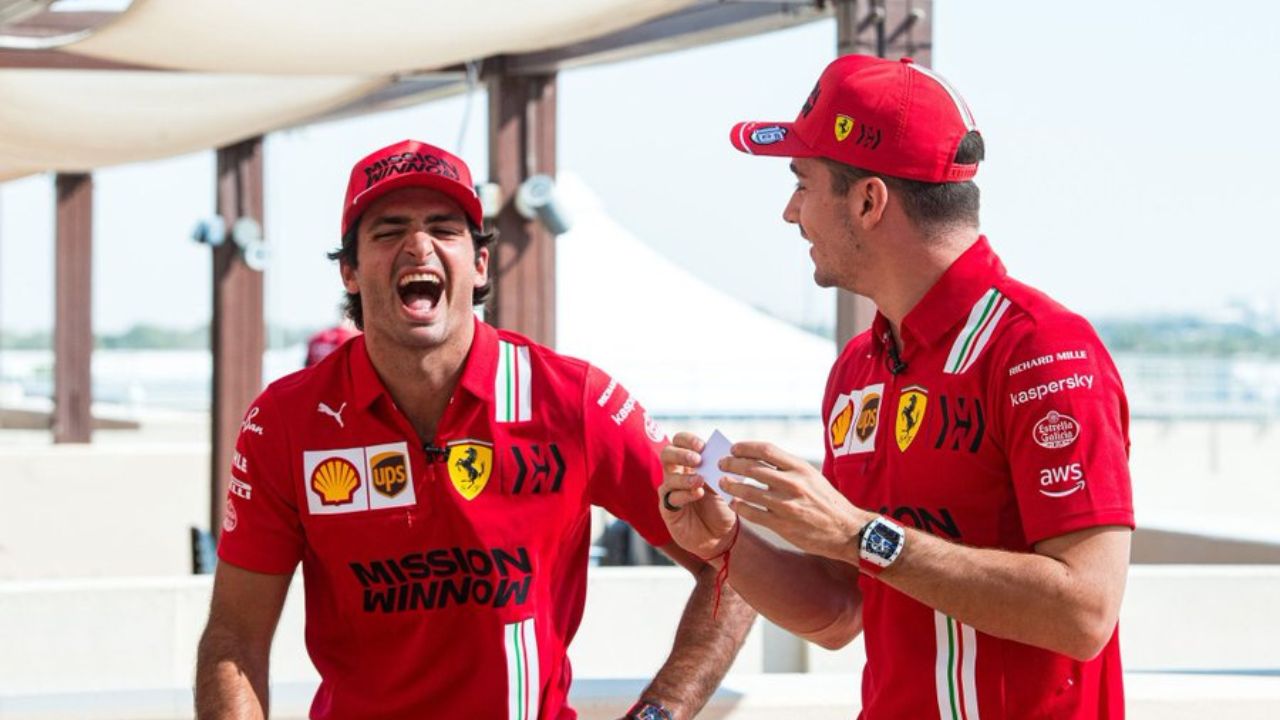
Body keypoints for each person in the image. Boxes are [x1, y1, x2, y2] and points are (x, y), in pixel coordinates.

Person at [195, 139, 754, 720]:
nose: (419, 246)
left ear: (480, 262)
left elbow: (735, 568)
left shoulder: (574, 399)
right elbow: (234, 639)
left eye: (444, 228)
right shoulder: (284, 420)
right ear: (351, 272)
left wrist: (658, 714)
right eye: (388, 232)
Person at [659, 55, 1133, 719]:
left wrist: (860, 535)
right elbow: (839, 614)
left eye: (803, 182)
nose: (790, 212)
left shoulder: (1042, 350)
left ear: (868, 200)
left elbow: (1085, 613)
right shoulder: (859, 366)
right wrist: (726, 544)